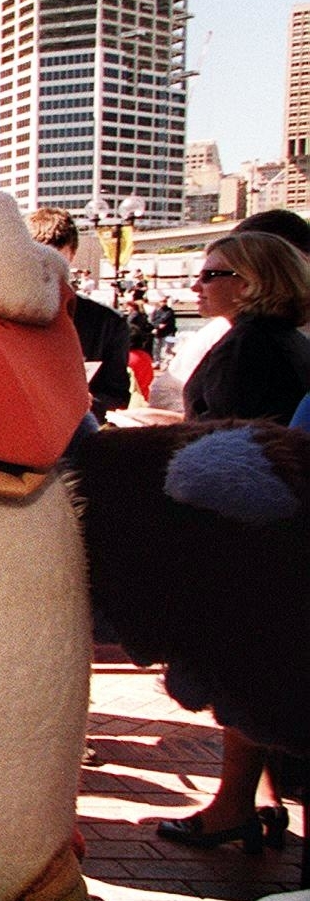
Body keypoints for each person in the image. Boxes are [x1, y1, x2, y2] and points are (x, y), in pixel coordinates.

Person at [155, 231, 310, 853]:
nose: (197, 286)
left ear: (250, 282)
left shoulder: (249, 350)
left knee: (244, 668)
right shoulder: (288, 346)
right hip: (275, 532)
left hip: (246, 537)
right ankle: (257, 800)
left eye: (212, 274)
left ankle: (233, 805)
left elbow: (234, 440)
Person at [28, 207, 130, 420]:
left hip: (78, 435)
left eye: (56, 260)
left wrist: (89, 402)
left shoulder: (109, 324)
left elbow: (117, 395)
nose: (47, 270)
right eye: (37, 259)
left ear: (72, 256)